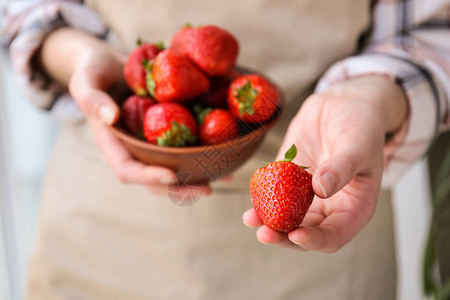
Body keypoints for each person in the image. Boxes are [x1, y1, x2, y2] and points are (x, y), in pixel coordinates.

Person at [2, 0, 449, 299]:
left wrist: (370, 97)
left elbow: (436, 28)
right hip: (104, 228)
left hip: (326, 202)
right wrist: (78, 58)